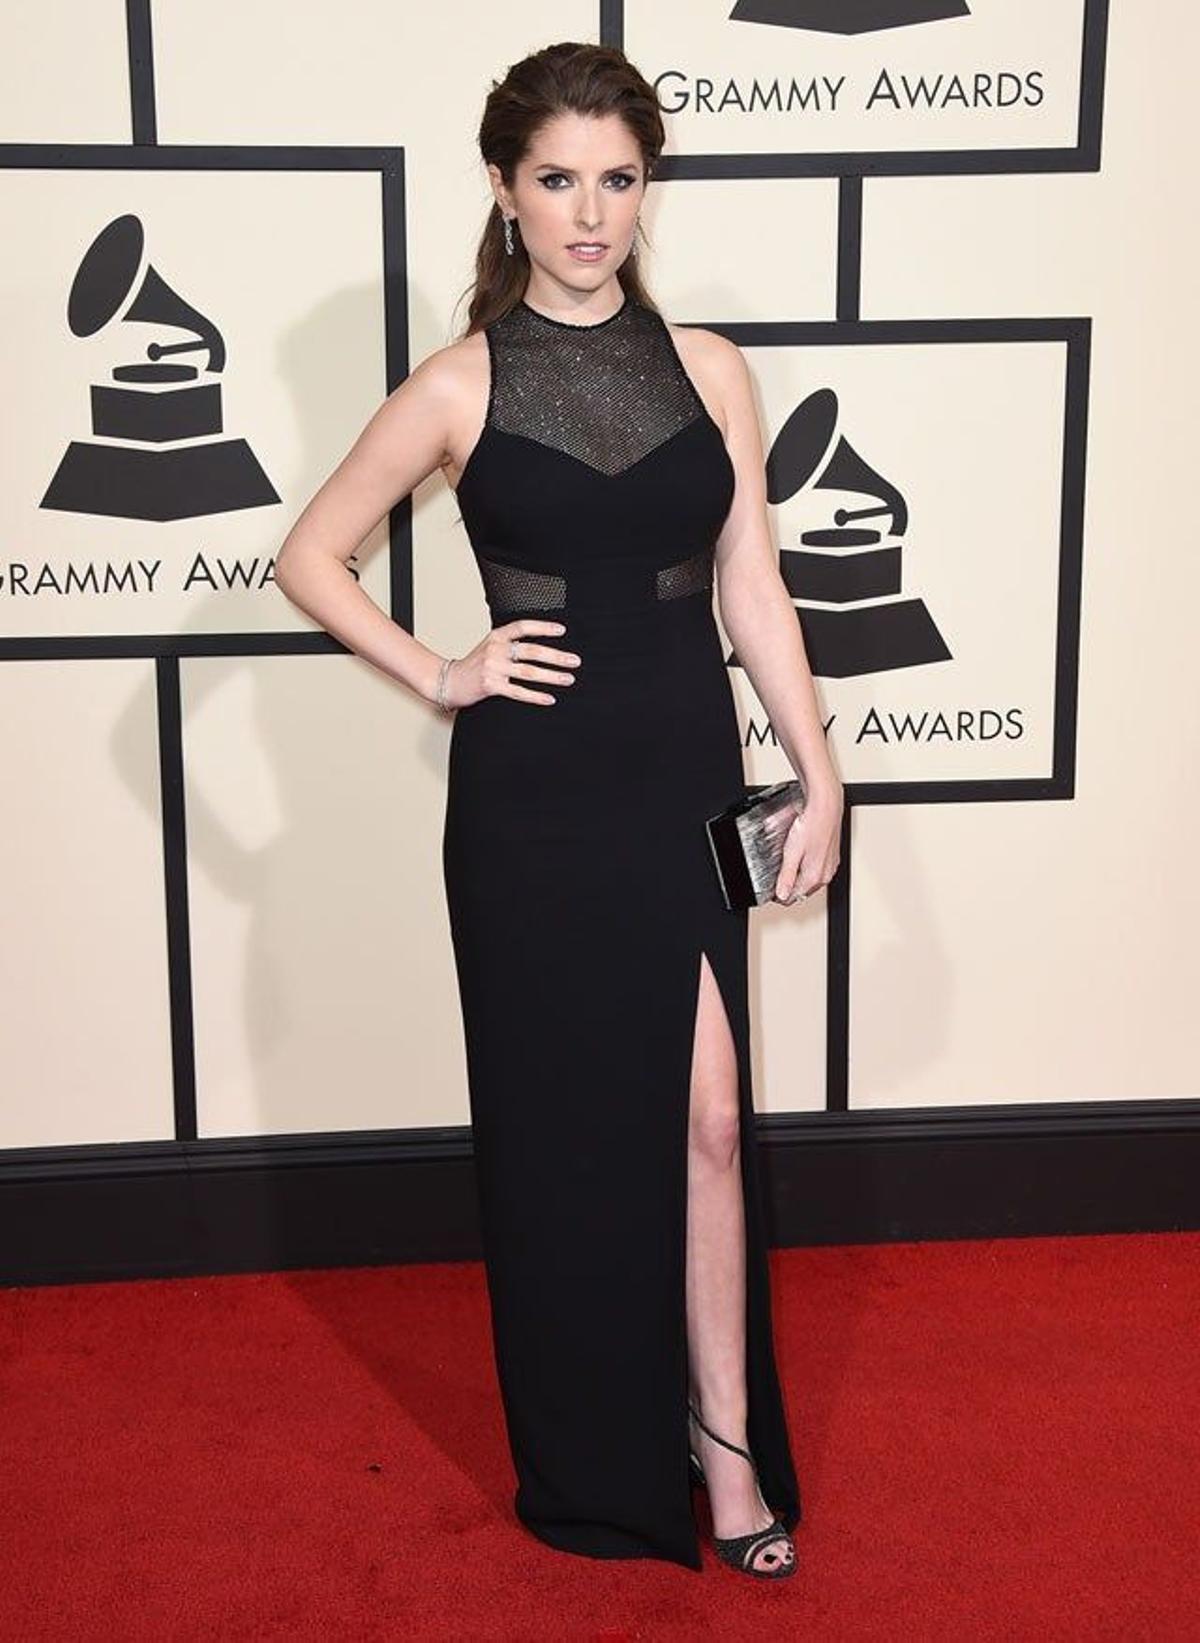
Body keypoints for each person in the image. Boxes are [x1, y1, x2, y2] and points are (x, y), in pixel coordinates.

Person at [274, 41, 842, 1580]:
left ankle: (724, 1445)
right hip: (531, 801)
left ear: (645, 186)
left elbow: (753, 586)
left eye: (618, 179)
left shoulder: (709, 366)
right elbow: (309, 554)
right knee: (567, 1134)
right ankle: (600, 1459)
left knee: (712, 1122)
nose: (589, 213)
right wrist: (442, 671)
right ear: (506, 190)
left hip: (678, 771)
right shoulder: (459, 383)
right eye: (557, 180)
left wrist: (821, 764)